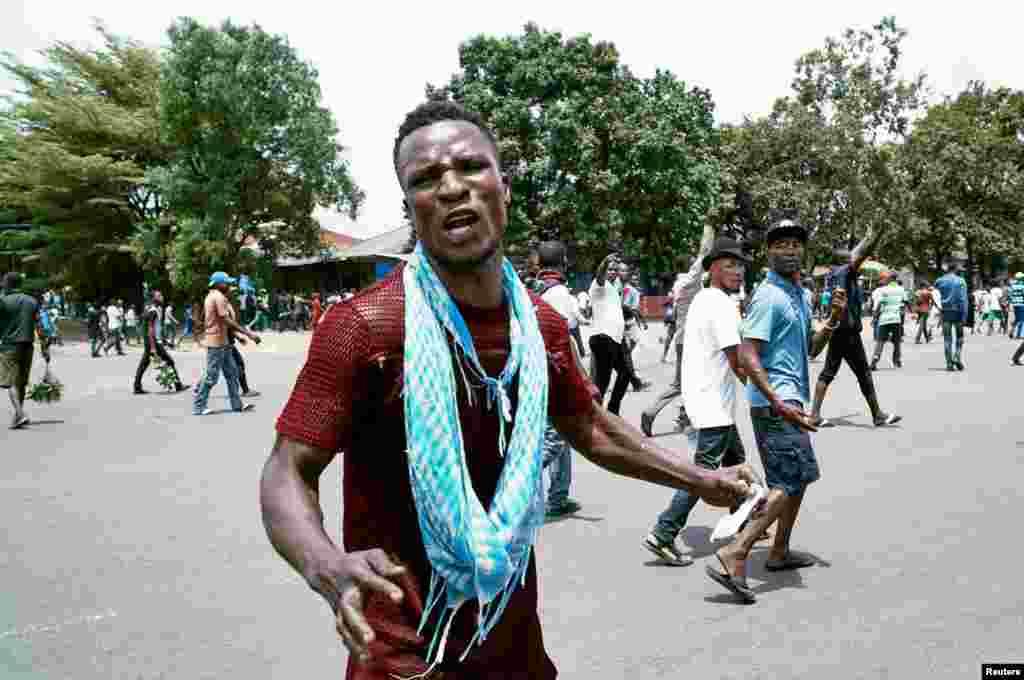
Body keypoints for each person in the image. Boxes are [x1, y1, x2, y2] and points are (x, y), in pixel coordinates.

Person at [259, 101, 754, 680]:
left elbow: (590, 427)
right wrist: (326, 565)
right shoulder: (365, 326)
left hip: (515, 649)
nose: (450, 187)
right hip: (405, 659)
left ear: (504, 187)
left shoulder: (539, 329)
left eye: (470, 167)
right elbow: (287, 470)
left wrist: (701, 478)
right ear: (411, 207)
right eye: (425, 179)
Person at [706, 218, 847, 604]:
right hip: (773, 404)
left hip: (790, 401)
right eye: (781, 244)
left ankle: (780, 551)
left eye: (795, 244)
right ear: (768, 252)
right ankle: (735, 552)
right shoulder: (768, 296)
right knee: (788, 481)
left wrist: (833, 320)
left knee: (798, 477)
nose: (789, 250)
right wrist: (777, 401)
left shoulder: (798, 294)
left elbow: (810, 350)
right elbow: (748, 353)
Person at [643, 237, 753, 566]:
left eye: (740, 265)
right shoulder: (717, 302)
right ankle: (663, 532)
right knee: (703, 475)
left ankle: (744, 522)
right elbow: (736, 359)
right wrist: (765, 396)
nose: (737, 271)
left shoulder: (708, 300)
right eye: (729, 265)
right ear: (713, 268)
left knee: (737, 460)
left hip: (710, 401)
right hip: (712, 405)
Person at [810, 225, 901, 428]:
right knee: (862, 373)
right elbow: (862, 253)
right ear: (847, 262)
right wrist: (878, 234)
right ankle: (877, 415)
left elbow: (856, 253)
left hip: (838, 329)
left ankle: (815, 415)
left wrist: (867, 235)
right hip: (848, 332)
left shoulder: (834, 272)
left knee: (829, 372)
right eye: (851, 259)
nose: (856, 261)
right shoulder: (846, 272)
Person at [640, 223, 715, 436]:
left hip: (686, 339)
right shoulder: (690, 281)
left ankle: (686, 417)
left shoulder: (680, 283)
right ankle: (652, 411)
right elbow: (704, 254)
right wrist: (709, 227)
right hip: (690, 340)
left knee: (693, 380)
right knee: (681, 383)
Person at [533, 240, 585, 520]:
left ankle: (558, 497)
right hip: (555, 375)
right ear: (563, 262)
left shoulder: (533, 289)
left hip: (536, 373)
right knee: (554, 440)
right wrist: (583, 379)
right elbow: (564, 342)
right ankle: (503, 486)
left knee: (563, 437)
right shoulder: (561, 294)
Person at [193, 272, 261, 416]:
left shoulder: (213, 296)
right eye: (226, 283)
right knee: (211, 376)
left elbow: (222, 323)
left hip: (223, 342)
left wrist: (237, 336)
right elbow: (226, 320)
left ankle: (237, 405)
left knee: (232, 373)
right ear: (218, 283)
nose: (229, 285)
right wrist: (248, 334)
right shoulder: (218, 297)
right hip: (216, 342)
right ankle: (199, 406)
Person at [588, 252, 631, 415]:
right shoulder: (598, 284)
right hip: (603, 338)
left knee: (625, 374)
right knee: (602, 382)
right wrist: (605, 260)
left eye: (615, 270)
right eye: (610, 269)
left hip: (614, 339)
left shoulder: (613, 287)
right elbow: (599, 274)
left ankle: (612, 410)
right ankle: (596, 416)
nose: (612, 272)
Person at [0, 273, 44, 429]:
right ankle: (17, 417)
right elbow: (40, 326)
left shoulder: (3, 301)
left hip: (9, 346)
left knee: (10, 382)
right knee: (21, 383)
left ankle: (21, 413)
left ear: (7, 284)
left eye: (3, 282)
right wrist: (45, 347)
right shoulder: (31, 301)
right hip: (28, 346)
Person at [133, 290, 189, 395]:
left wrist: (165, 342)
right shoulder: (153, 311)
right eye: (159, 295)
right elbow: (150, 330)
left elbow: (156, 329)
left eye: (161, 295)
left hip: (151, 342)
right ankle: (178, 385)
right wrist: (153, 347)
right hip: (152, 342)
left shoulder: (153, 309)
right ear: (154, 298)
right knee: (169, 361)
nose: (162, 297)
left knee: (144, 363)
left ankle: (137, 386)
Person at [934, 263, 969, 371]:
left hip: (945, 311)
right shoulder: (961, 281)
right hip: (958, 311)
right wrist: (965, 315)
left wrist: (939, 308)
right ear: (955, 269)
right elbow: (963, 299)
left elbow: (934, 294)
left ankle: (949, 363)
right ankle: (957, 357)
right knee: (960, 337)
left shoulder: (939, 281)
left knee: (947, 339)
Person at [871, 273, 906, 370]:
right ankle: (897, 360)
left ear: (890, 279)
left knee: (880, 341)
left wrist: (874, 318)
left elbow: (879, 304)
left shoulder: (884, 290)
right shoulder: (901, 289)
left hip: (884, 319)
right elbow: (905, 302)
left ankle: (874, 361)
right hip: (896, 318)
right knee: (897, 342)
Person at [1008, 272, 1024, 340]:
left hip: (1015, 304)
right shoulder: (1023, 286)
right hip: (1021, 304)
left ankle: (1011, 330)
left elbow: (1010, 296)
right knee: (1021, 320)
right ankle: (1018, 335)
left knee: (1017, 319)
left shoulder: (1012, 286)